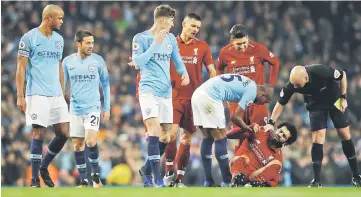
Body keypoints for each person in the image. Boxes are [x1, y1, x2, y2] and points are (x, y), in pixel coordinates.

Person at [264, 64, 361, 187]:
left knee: (344, 134)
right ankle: (316, 180)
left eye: (298, 85)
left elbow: (342, 75)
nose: (295, 87)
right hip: (315, 104)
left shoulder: (321, 70)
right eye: (293, 84)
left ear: (306, 77)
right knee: (318, 138)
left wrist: (343, 97)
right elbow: (280, 103)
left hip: (334, 100)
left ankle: (356, 176)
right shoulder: (293, 83)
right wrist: (271, 122)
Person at [129, 4, 189, 187]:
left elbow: (177, 59)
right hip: (148, 90)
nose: (172, 25)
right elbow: (138, 62)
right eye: (171, 21)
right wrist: (155, 44)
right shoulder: (141, 38)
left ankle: (146, 169)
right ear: (162, 20)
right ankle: (155, 179)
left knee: (167, 137)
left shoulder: (171, 38)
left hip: (165, 92)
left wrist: (183, 72)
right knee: (154, 131)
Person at [160, 13, 216, 187]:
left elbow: (212, 71)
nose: (195, 30)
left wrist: (210, 91)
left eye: (198, 27)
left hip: (194, 99)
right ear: (183, 24)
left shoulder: (203, 47)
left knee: (187, 139)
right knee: (172, 134)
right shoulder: (170, 43)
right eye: (192, 26)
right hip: (173, 96)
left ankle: (179, 179)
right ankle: (169, 173)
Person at [16, 4, 69, 188]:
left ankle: (44, 166)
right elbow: (21, 67)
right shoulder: (29, 38)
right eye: (59, 18)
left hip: (55, 94)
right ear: (49, 18)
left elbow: (59, 66)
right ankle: (34, 181)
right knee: (39, 133)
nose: (62, 21)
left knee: (64, 134)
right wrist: (20, 96)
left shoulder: (59, 40)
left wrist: (62, 92)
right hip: (36, 93)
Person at [191, 73, 273, 187]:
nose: (261, 104)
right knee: (221, 136)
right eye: (265, 101)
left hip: (198, 94)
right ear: (263, 94)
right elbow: (235, 117)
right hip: (210, 97)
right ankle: (227, 181)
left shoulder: (248, 83)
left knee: (207, 137)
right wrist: (248, 128)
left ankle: (208, 181)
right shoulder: (252, 91)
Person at [216, 24, 280, 152]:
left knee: (261, 134)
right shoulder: (225, 52)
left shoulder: (258, 48)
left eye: (244, 42)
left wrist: (270, 84)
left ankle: (260, 167)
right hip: (237, 101)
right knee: (240, 135)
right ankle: (239, 169)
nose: (243, 46)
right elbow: (219, 68)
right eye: (239, 44)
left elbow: (275, 62)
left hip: (257, 100)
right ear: (232, 41)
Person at [62, 30, 110, 188]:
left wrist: (106, 107)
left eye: (92, 43)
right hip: (75, 108)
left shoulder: (98, 61)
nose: (91, 46)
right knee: (77, 145)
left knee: (90, 141)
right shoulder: (67, 62)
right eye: (88, 43)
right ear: (78, 44)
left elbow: (105, 84)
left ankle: (95, 176)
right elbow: (62, 86)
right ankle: (83, 180)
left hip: (93, 107)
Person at [228, 122, 298, 187]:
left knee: (275, 166)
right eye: (280, 131)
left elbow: (273, 183)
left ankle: (248, 186)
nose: (280, 135)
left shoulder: (278, 159)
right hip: (237, 167)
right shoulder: (259, 131)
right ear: (277, 129)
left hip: (251, 179)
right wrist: (248, 127)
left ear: (286, 143)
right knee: (242, 159)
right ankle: (237, 181)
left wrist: (262, 184)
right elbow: (229, 135)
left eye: (284, 136)